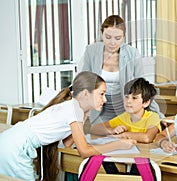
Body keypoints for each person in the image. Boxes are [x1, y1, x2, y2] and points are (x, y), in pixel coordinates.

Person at [0, 71, 136, 181]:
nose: (104, 99)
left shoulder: (73, 107)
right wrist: (118, 144)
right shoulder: (73, 108)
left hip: (10, 141)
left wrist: (85, 116)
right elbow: (84, 151)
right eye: (102, 94)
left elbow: (67, 143)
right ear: (85, 94)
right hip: (16, 148)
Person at [79, 15, 164, 125]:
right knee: (101, 136)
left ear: (124, 37)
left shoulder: (132, 53)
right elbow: (83, 83)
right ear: (101, 34)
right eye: (108, 37)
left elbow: (142, 86)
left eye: (117, 38)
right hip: (100, 110)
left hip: (126, 109)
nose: (112, 42)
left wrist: (158, 115)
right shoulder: (92, 51)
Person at [90, 77, 161, 143]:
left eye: (134, 98)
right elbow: (94, 129)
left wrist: (123, 135)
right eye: (126, 97)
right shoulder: (124, 117)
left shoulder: (153, 117)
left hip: (147, 155)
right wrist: (112, 130)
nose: (128, 101)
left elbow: (147, 138)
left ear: (145, 103)